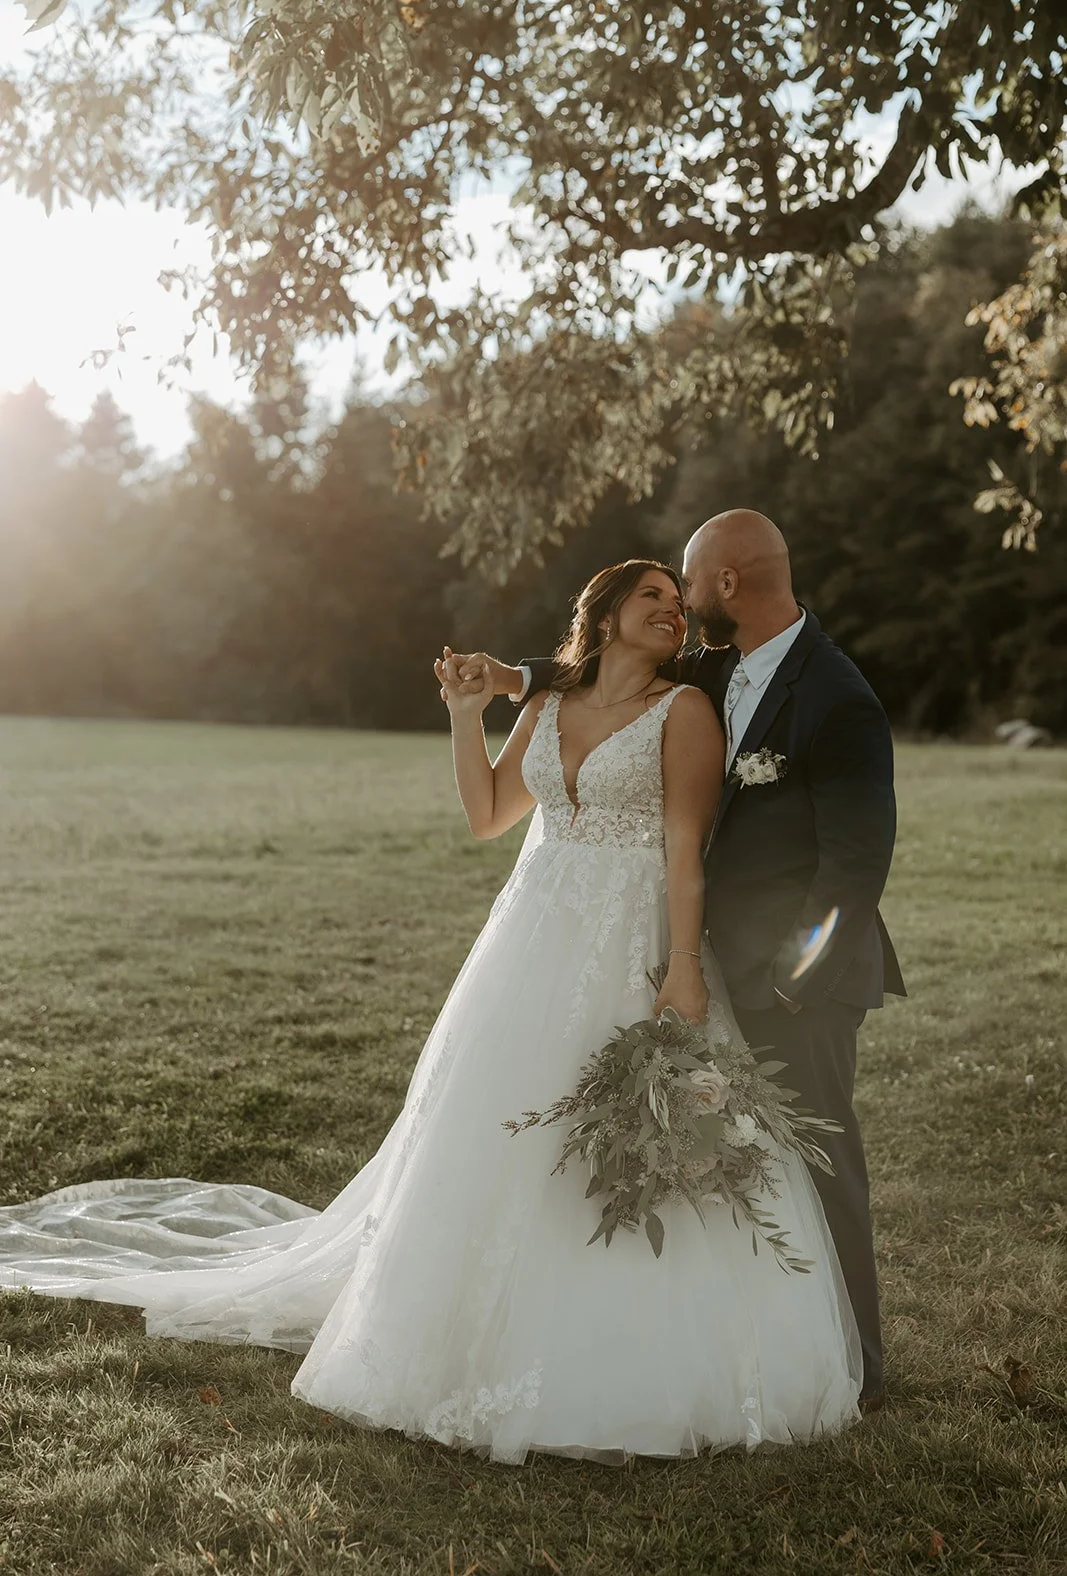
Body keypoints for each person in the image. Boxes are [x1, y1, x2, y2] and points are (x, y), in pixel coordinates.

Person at [0, 557, 862, 1464]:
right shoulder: (543, 706)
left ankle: (621, 1350)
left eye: (677, 608)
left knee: (618, 1121)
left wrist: (683, 966)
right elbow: (490, 813)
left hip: (632, 940)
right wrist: (464, 718)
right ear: (603, 615)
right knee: (491, 1122)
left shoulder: (684, 714)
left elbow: (686, 852)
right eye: (650, 598)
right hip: (530, 936)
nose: (672, 617)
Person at [447, 512, 905, 1411]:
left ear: (726, 584)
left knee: (814, 1159)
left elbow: (857, 864)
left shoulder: (835, 697)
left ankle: (858, 1360)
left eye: (686, 585)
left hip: (794, 977)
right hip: (689, 949)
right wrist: (508, 681)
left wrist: (790, 981)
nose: (682, 606)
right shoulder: (718, 666)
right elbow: (598, 678)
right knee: (720, 1153)